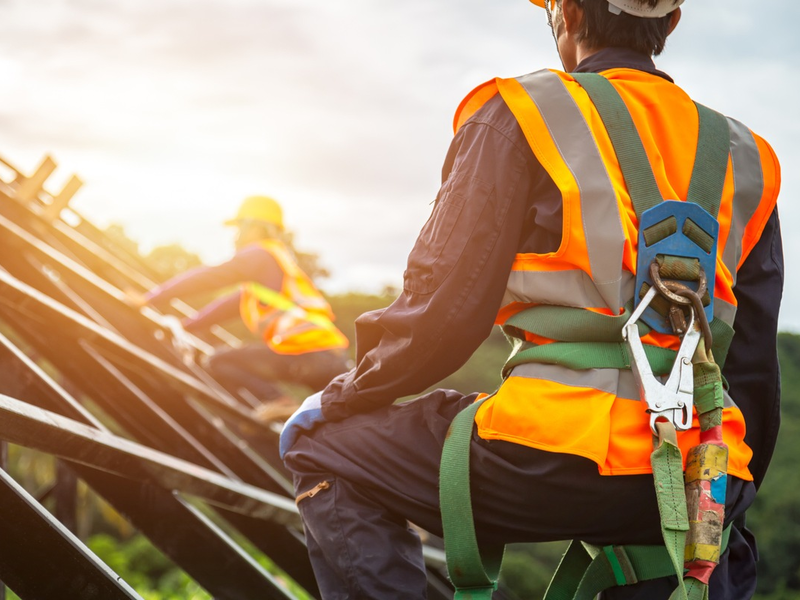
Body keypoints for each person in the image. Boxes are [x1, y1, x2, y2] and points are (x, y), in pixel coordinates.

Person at [280, 1, 783, 599]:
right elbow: (753, 367)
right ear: (670, 22)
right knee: (704, 550)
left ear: (567, 12)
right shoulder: (748, 157)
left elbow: (442, 314)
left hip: (552, 454)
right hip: (702, 468)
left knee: (321, 448)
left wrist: (345, 395)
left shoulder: (523, 113)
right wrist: (727, 491)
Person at [130, 195, 350, 413]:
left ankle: (278, 401)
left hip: (307, 354)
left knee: (219, 361)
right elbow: (221, 309)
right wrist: (184, 326)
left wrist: (149, 299)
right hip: (332, 360)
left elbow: (208, 277)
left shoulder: (260, 254)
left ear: (254, 227)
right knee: (333, 420)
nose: (235, 237)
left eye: (238, 228)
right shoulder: (272, 273)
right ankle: (276, 410)